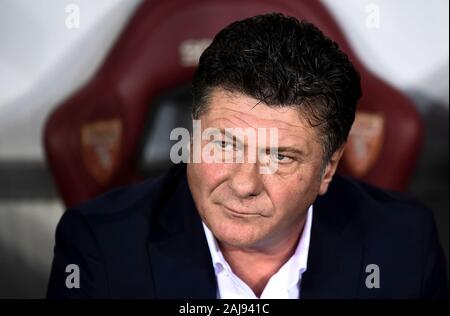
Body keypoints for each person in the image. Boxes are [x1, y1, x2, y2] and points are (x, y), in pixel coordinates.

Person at [47, 13, 448, 299]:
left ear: (327, 168)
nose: (243, 184)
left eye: (280, 157)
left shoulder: (403, 243)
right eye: (223, 144)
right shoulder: (101, 243)